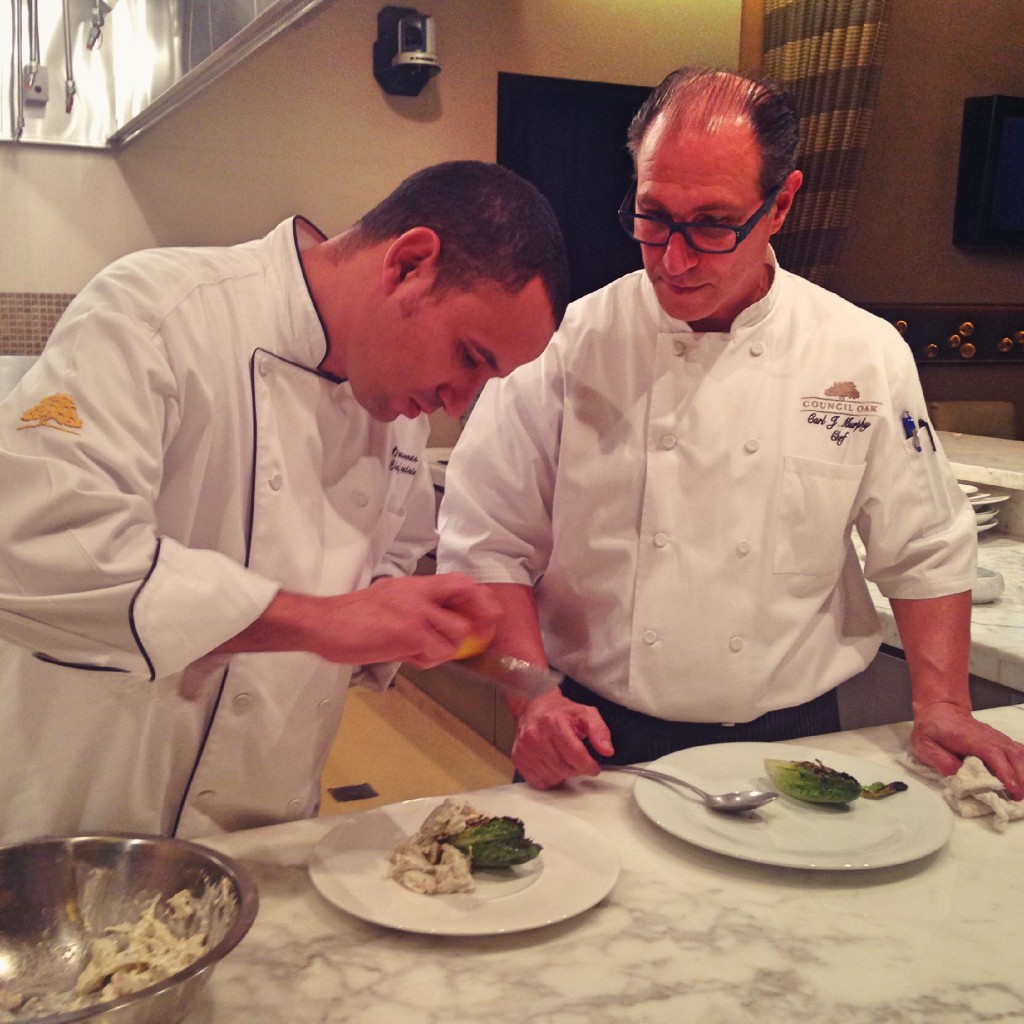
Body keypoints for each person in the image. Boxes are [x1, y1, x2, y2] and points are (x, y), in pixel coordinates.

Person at [436, 68, 1024, 798]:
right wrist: (532, 697)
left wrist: (943, 704)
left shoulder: (862, 352)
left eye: (712, 224)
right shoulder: (568, 341)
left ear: (781, 204)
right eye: (653, 217)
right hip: (587, 733)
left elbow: (927, 546)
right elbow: (486, 542)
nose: (673, 260)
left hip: (797, 739)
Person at [0, 160, 569, 842]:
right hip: (85, 820)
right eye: (469, 357)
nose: (459, 402)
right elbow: (37, 547)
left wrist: (434, 630)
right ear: (410, 264)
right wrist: (319, 621)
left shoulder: (398, 416)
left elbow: (384, 571)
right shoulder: (159, 312)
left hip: (265, 834)